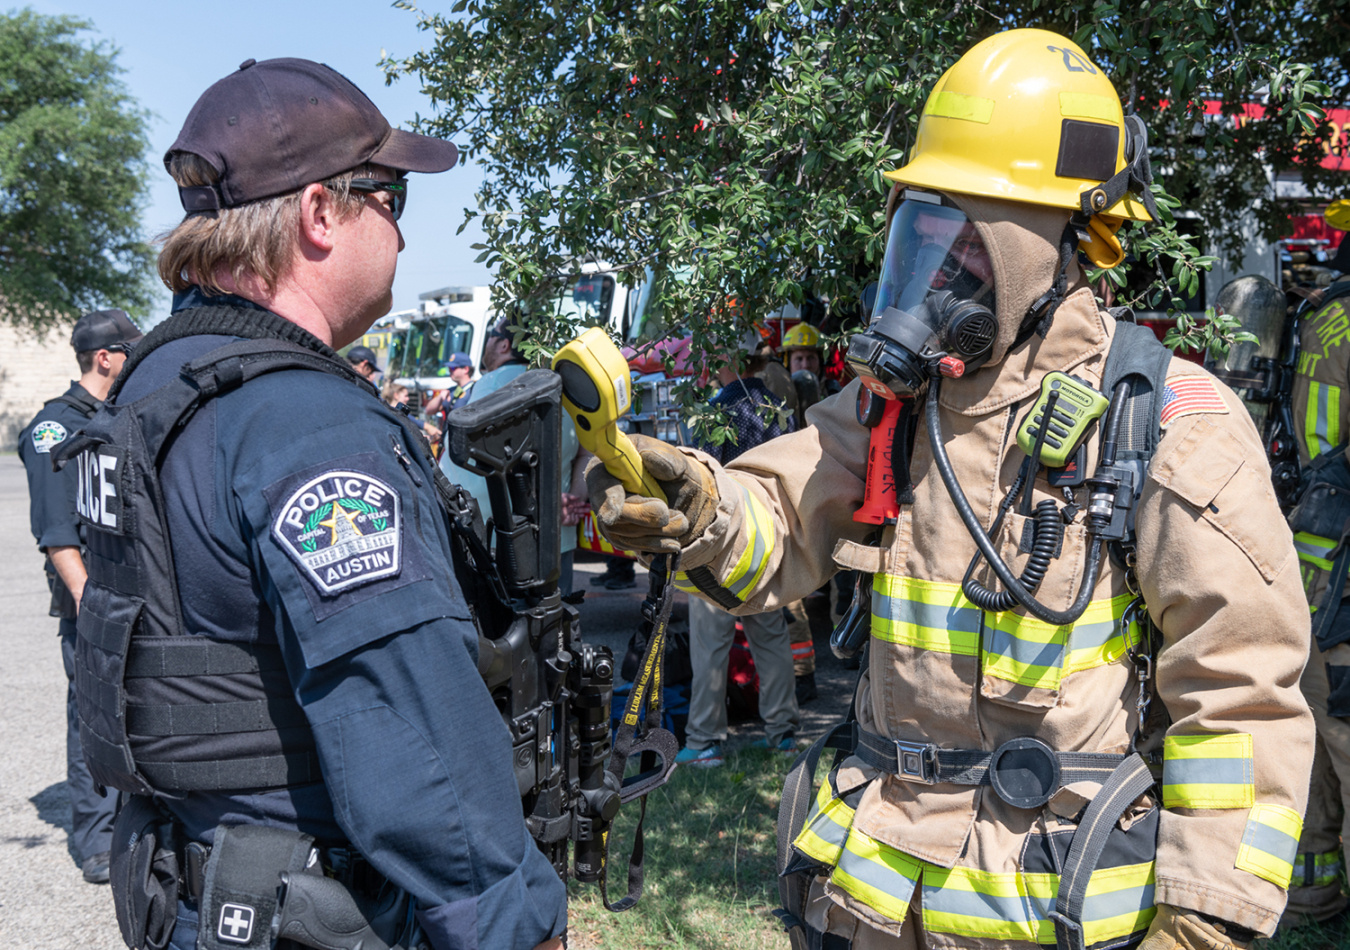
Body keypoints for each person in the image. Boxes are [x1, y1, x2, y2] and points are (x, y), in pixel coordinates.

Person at [587, 29, 1312, 949]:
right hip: (872, 907)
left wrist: (1199, 927)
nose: (940, 274)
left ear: (1056, 245)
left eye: (969, 243)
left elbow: (1241, 696)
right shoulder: (899, 404)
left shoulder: (1170, 423)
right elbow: (780, 516)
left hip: (1049, 911)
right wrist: (698, 506)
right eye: (926, 236)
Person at [61, 58, 564, 950]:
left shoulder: (159, 380)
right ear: (319, 213)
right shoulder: (307, 425)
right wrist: (518, 924)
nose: (403, 234)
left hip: (193, 885)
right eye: (391, 197)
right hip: (307, 905)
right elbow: (416, 742)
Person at [17, 308, 138, 885]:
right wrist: (92, 606)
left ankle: (133, 823)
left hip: (128, 595)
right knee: (92, 714)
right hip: (89, 600)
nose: (134, 360)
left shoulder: (114, 416)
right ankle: (95, 838)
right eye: (129, 351)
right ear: (105, 357)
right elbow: (56, 533)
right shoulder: (54, 428)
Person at [674, 334, 800, 767]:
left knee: (710, 644)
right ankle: (783, 733)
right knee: (770, 636)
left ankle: (704, 739)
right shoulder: (778, 409)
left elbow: (700, 486)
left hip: (720, 546)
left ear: (723, 359)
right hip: (768, 539)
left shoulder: (713, 414)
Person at [1281, 211, 1350, 927]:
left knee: (1310, 730)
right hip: (1344, 571)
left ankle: (1309, 893)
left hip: (1310, 559)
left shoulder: (1320, 317)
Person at [442, 316, 589, 594]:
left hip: (487, 540)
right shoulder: (564, 389)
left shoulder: (484, 387)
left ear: (504, 344)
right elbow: (588, 453)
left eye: (489, 337)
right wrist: (574, 499)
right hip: (553, 538)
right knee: (557, 628)